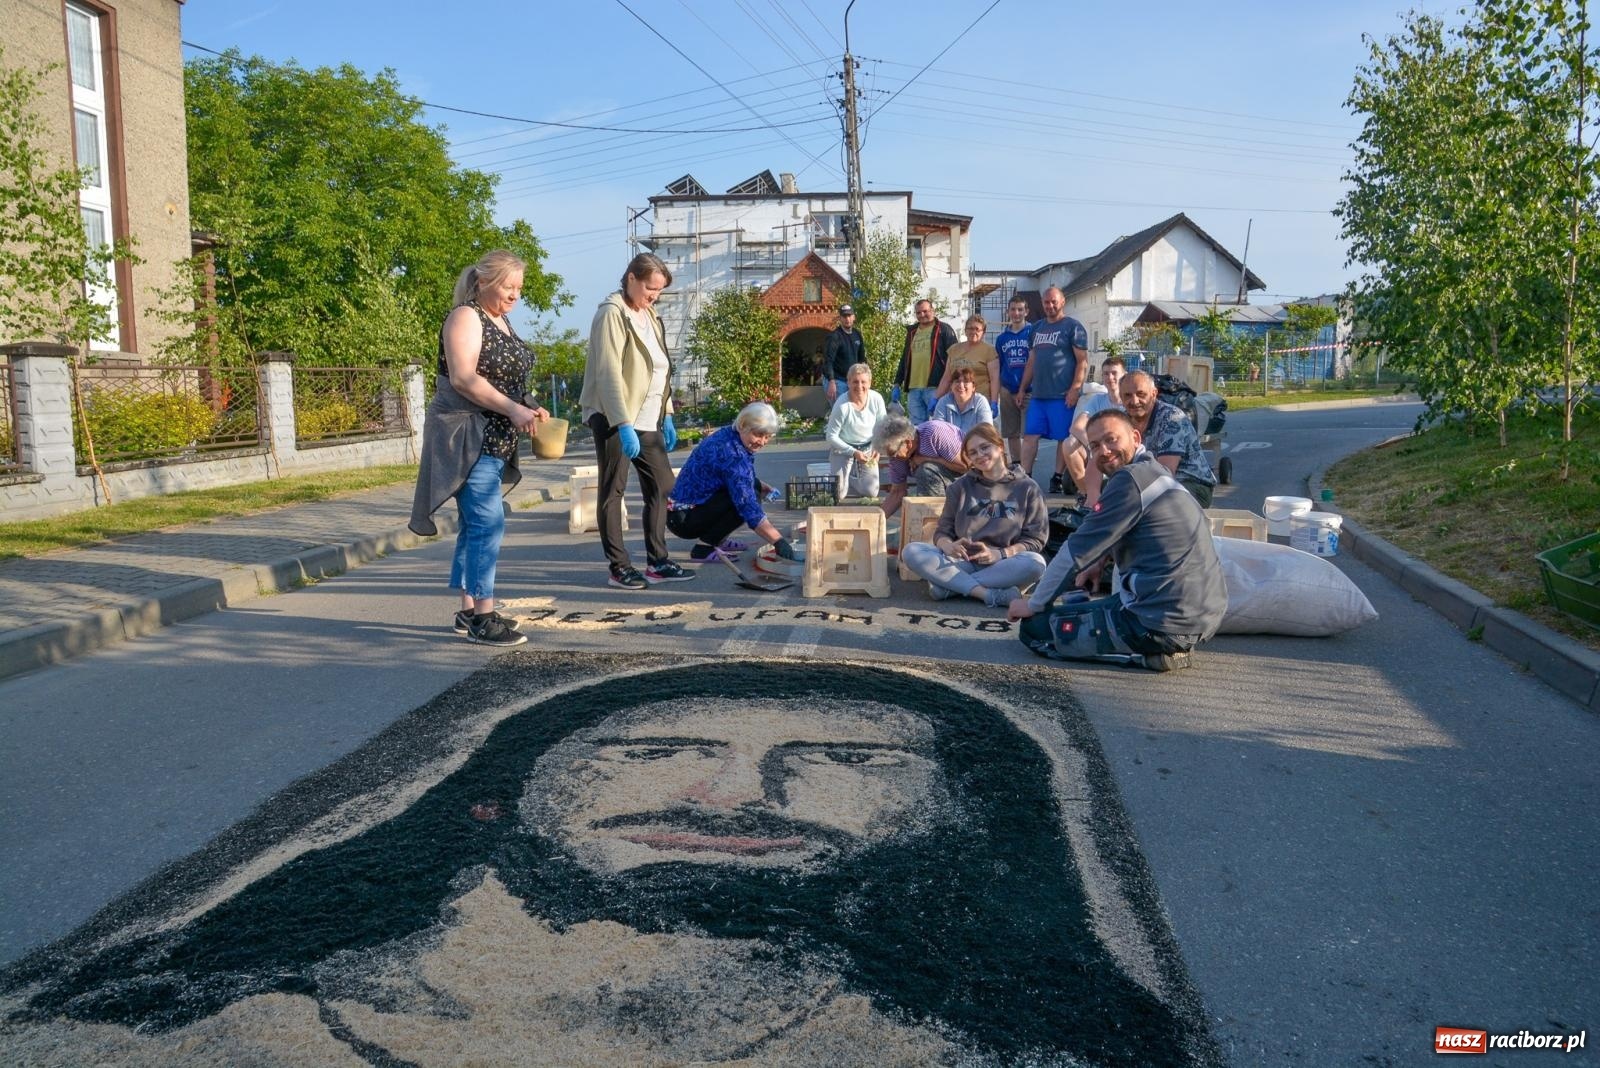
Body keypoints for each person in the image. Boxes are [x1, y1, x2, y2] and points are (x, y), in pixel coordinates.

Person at [6, 661, 1204, 1066]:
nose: (733, 797)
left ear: (955, 817)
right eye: (653, 748)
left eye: (843, 758)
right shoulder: (160, 1030)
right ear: (505, 786)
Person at [1008, 409, 1227, 672]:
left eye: (1112, 440)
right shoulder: (1154, 471)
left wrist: (1033, 603)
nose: (1104, 451)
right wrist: (1099, 562)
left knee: (1036, 629)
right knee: (1080, 605)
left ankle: (1153, 655)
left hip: (1161, 623)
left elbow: (1074, 552)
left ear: (1135, 437)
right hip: (1199, 614)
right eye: (1095, 446)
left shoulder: (1128, 479)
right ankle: (1162, 643)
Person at [408, 249, 549, 648]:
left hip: (495, 436)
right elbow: (464, 378)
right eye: (509, 286)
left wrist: (528, 402)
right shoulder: (466, 317)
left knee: (474, 525)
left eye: (519, 288)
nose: (515, 295)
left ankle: (469, 610)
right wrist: (511, 407)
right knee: (489, 523)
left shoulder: (500, 321)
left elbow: (506, 376)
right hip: (466, 435)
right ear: (484, 281)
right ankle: (484, 618)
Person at [581, 252, 693, 590]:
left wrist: (668, 413)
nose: (654, 295)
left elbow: (659, 370)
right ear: (631, 278)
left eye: (659, 290)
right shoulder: (612, 314)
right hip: (615, 417)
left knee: (662, 487)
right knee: (612, 490)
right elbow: (608, 373)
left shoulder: (651, 316)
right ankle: (619, 567)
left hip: (649, 419)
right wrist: (622, 422)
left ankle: (658, 561)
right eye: (650, 287)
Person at [901, 424, 1048, 608]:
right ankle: (986, 594)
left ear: (1000, 446)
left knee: (1036, 564)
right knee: (912, 551)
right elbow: (942, 531)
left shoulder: (1028, 488)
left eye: (984, 447)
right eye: (973, 452)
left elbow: (1035, 540)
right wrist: (948, 546)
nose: (979, 455)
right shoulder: (959, 487)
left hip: (1002, 564)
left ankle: (948, 586)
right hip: (962, 561)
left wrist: (1000, 554)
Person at [666, 401, 798, 564]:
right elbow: (748, 505)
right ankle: (704, 548)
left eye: (767, 436)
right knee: (747, 499)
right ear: (743, 425)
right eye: (758, 435)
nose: (762, 442)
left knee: (753, 487)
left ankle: (718, 538)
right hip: (684, 519)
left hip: (687, 511)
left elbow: (735, 476)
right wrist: (778, 542)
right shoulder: (732, 453)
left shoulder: (729, 435)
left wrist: (761, 485)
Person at [1017, 286, 1089, 495]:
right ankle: (1025, 477)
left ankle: (1057, 477)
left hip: (1061, 395)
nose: (1049, 306)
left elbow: (1082, 362)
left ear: (1062, 301)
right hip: (1039, 395)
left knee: (1062, 438)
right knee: (1030, 436)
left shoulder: (1073, 327)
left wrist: (1075, 389)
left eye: (1053, 302)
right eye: (1046, 302)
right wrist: (1023, 388)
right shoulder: (1036, 328)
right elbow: (1031, 361)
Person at [1118, 370, 1218, 507]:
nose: (1134, 401)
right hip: (1144, 481)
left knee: (1155, 507)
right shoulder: (1120, 421)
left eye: (1141, 394)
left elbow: (1165, 474)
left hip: (1191, 483)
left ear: (1154, 394)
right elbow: (1100, 456)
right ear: (1121, 398)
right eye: (1127, 395)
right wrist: (1093, 496)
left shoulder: (1172, 418)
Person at [872, 413, 966, 518]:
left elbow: (966, 466)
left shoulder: (935, 433)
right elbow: (897, 493)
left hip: (967, 482)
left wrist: (926, 459)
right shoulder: (896, 457)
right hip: (944, 486)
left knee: (926, 470)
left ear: (908, 443)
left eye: (893, 454)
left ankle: (937, 521)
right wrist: (876, 520)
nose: (893, 458)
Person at [1065, 355, 1127, 508]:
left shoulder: (1130, 401)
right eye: (1106, 373)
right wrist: (1095, 447)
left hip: (1123, 451)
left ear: (1124, 375)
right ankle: (1088, 496)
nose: (1110, 377)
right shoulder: (1097, 400)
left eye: (1114, 373)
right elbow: (1076, 427)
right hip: (1099, 450)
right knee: (1069, 443)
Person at [822, 362, 885, 503]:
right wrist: (853, 452)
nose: (860, 386)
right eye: (855, 382)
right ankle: (841, 479)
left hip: (868, 447)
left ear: (870, 383)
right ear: (848, 382)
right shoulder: (842, 405)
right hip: (843, 448)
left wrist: (878, 447)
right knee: (838, 495)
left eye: (863, 382)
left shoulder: (877, 399)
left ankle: (851, 479)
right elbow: (831, 436)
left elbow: (883, 427)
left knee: (871, 492)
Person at [891, 299, 957, 423]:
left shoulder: (944, 329)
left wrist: (951, 384)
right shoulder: (912, 332)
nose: (922, 315)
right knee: (917, 430)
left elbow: (954, 358)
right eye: (918, 313)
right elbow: (905, 358)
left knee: (940, 426)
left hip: (936, 387)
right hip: (914, 388)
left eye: (925, 311)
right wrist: (897, 383)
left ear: (933, 311)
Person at [993, 296, 1034, 463]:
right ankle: (1017, 464)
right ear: (1008, 311)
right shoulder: (1002, 338)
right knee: (1011, 432)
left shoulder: (1033, 333)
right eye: (1013, 309)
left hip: (1029, 390)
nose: (1016, 313)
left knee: (1029, 433)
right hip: (1008, 389)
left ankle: (1027, 466)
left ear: (1026, 312)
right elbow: (1000, 364)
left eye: (1020, 309)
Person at [933, 313, 999, 407]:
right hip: (955, 401)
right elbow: (947, 377)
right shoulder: (954, 349)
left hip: (979, 401)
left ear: (983, 332)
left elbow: (994, 379)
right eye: (970, 328)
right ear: (965, 330)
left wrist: (994, 401)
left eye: (977, 329)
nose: (973, 332)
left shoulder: (989, 351)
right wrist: (936, 398)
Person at [930, 366, 995, 436]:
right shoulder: (943, 402)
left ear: (973, 387)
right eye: (957, 381)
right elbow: (937, 431)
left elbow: (987, 431)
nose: (961, 385)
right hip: (949, 445)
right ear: (951, 386)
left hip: (974, 445)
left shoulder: (981, 402)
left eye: (966, 382)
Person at [821, 304, 865, 404]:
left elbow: (862, 360)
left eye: (849, 316)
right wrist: (831, 382)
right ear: (840, 318)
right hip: (836, 380)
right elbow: (828, 361)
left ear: (854, 317)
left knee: (853, 409)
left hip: (851, 380)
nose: (847, 319)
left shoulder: (857, 334)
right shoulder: (835, 337)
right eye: (844, 316)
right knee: (842, 410)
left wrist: (865, 379)